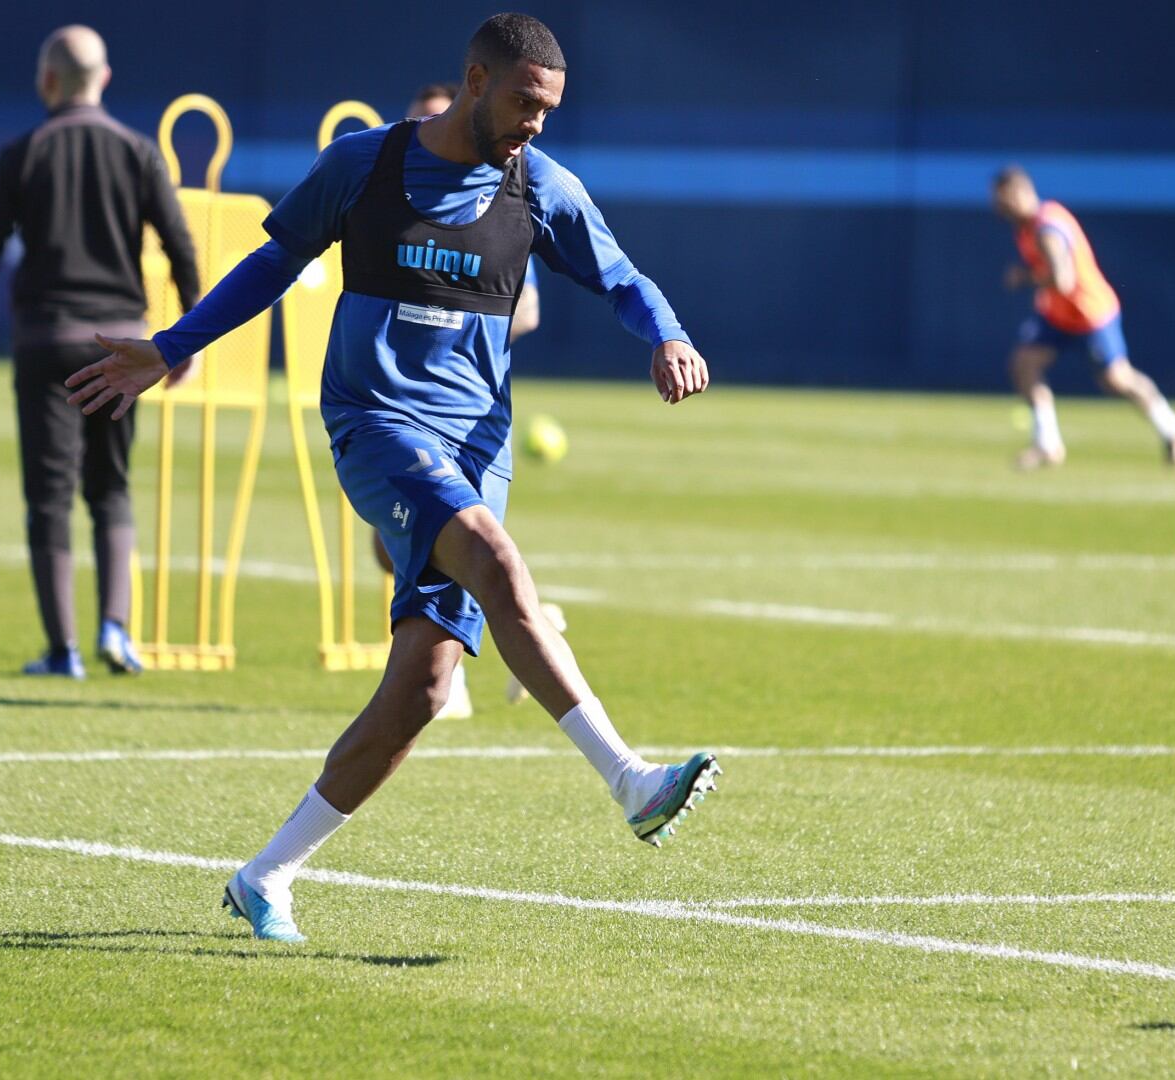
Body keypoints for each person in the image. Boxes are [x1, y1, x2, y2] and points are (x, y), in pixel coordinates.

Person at [67, 13, 720, 942]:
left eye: (549, 110)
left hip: (478, 449)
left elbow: (623, 278)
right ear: (476, 80)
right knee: (494, 557)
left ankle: (264, 876)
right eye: (525, 102)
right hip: (376, 426)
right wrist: (172, 346)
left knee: (421, 688)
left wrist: (668, 335)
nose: (536, 123)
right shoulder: (363, 165)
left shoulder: (543, 187)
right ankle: (631, 780)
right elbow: (272, 262)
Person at [0, 25, 200, 677]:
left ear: (47, 80)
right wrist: (188, 339)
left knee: (49, 497)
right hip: (120, 343)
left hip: (47, 339)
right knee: (111, 487)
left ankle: (63, 649)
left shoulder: (24, 151)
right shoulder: (137, 151)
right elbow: (179, 243)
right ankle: (115, 629)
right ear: (105, 79)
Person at [379, 80, 552, 719]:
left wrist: (456, 321)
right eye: (414, 121)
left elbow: (527, 308)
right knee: (396, 544)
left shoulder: (498, 203)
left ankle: (453, 678)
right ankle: (526, 634)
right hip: (394, 405)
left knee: (440, 544)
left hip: (464, 409)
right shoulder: (391, 192)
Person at [992, 166, 1175, 470]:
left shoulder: (1047, 228)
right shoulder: (1026, 227)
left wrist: (1024, 278)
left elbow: (1063, 280)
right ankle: (1047, 444)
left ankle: (1171, 426)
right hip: (1058, 314)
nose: (999, 207)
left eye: (1003, 199)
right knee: (1024, 364)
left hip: (1089, 312)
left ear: (1021, 193)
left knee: (1117, 379)